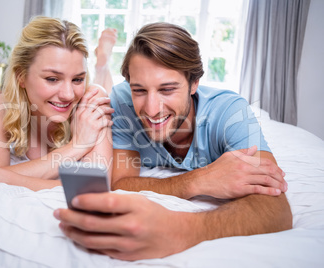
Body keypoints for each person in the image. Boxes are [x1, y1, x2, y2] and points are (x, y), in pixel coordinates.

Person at [54, 22, 292, 260]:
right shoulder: (122, 100)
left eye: (167, 89)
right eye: (139, 90)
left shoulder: (231, 112)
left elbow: (275, 208)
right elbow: (121, 182)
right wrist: (199, 180)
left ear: (194, 83)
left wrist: (184, 229)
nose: (152, 109)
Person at [0, 16, 114, 191]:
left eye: (78, 79)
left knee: (103, 87)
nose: (68, 94)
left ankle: (102, 64)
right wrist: (76, 147)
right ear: (21, 76)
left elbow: (92, 188)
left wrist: (0, 175)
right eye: (52, 79)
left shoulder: (93, 100)